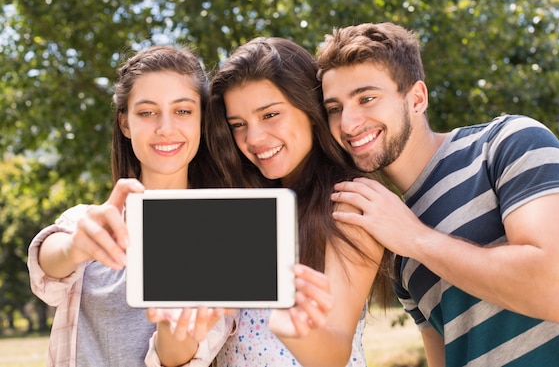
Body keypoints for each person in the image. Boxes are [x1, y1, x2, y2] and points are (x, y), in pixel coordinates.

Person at [316, 22, 559, 367]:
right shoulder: (395, 245)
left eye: (367, 98)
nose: (348, 123)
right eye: (335, 109)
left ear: (417, 98)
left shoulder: (509, 143)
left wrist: (416, 239)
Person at [27, 45, 235, 367]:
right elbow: (46, 271)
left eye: (182, 111)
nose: (165, 128)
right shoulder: (90, 220)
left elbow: (177, 358)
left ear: (202, 120)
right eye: (147, 112)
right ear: (125, 123)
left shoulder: (222, 236)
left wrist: (174, 324)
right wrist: (75, 247)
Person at [197, 36, 393, 367]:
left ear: (309, 109)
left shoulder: (348, 204)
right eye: (238, 125)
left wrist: (292, 325)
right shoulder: (247, 207)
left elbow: (334, 351)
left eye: (270, 114)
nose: (254, 138)